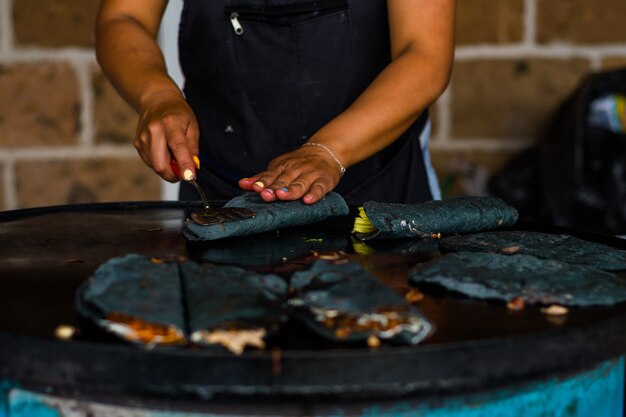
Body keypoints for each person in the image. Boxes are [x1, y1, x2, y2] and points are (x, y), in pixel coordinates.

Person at [95, 0, 455, 205]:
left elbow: (424, 56)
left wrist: (328, 152)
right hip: (221, 192)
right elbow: (124, 17)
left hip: (377, 191)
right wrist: (157, 97)